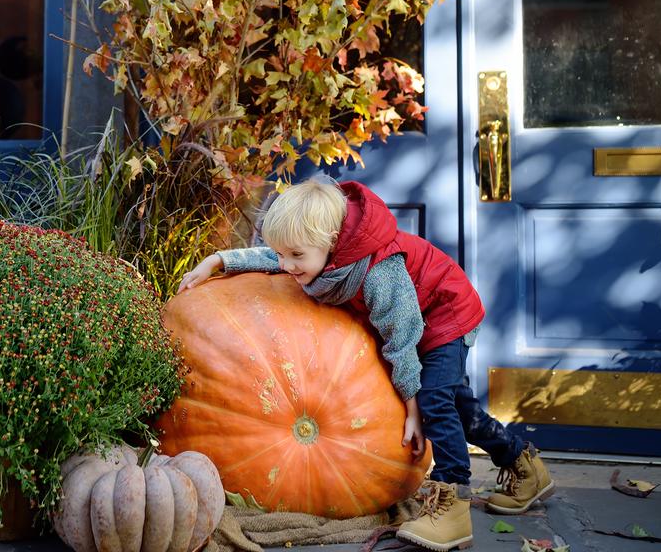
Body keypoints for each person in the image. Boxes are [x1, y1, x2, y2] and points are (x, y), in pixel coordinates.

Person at [178, 175, 554, 552]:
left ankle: (453, 505)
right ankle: (523, 463)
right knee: (457, 403)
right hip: (416, 317)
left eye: (296, 256)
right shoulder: (316, 252)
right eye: (282, 253)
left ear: (330, 242)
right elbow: (273, 259)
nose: (285, 265)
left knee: (436, 401)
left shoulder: (378, 271)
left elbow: (402, 337)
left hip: (444, 315)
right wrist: (219, 260)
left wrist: (413, 408)